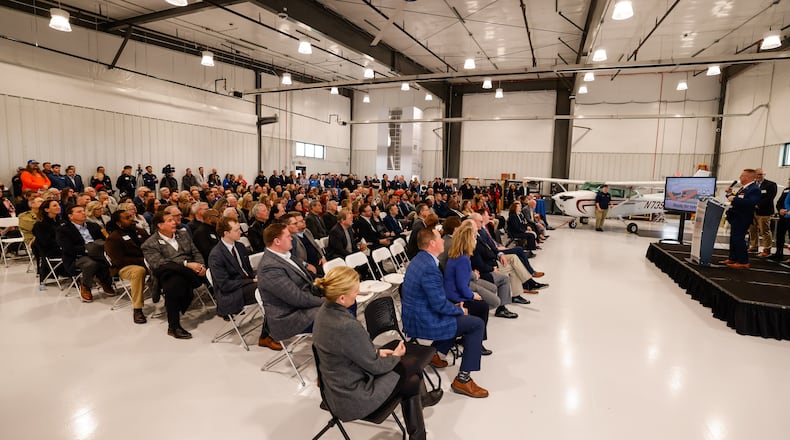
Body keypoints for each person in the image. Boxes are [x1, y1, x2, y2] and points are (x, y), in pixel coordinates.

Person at [313, 266, 430, 440]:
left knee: (411, 378)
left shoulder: (323, 313)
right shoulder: (346, 325)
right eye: (355, 291)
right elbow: (375, 367)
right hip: (353, 397)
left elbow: (347, 349)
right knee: (412, 365)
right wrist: (395, 356)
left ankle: (420, 425)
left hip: (335, 390)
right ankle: (421, 416)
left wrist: (376, 352)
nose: (357, 294)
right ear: (342, 297)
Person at [401, 227, 489, 398]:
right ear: (432, 243)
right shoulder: (429, 267)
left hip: (416, 314)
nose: (443, 240)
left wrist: (454, 307)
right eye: (439, 238)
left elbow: (435, 299)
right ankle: (463, 379)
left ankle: (436, 353)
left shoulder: (419, 259)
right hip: (423, 320)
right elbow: (439, 305)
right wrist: (458, 309)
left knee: (458, 315)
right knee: (476, 324)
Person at [208, 218, 281, 350]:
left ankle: (276, 326)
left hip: (246, 285)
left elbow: (247, 271)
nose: (240, 232)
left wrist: (256, 277)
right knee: (269, 291)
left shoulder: (240, 246)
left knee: (274, 281)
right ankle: (266, 336)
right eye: (236, 230)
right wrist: (251, 281)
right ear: (226, 233)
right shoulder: (216, 255)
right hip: (231, 293)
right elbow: (225, 285)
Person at [142, 211, 207, 339]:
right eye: (170, 220)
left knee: (178, 282)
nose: (174, 222)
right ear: (160, 225)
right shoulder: (149, 244)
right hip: (167, 274)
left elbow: (196, 252)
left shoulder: (183, 234)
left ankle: (173, 326)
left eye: (174, 220)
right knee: (173, 282)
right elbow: (159, 264)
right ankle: (174, 326)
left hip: (191, 271)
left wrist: (201, 265)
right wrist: (186, 265)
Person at [257, 223, 324, 342]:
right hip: (290, 316)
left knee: (346, 298)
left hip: (304, 303)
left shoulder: (287, 256)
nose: (292, 239)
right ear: (277, 241)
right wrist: (326, 301)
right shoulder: (269, 267)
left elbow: (308, 279)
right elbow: (297, 298)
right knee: (337, 311)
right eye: (288, 236)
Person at [55, 205, 115, 302]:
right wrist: (87, 249)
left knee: (110, 257)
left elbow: (103, 240)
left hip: (98, 251)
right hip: (77, 256)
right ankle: (86, 286)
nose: (83, 213)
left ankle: (105, 281)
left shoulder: (93, 226)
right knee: (91, 263)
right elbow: (68, 248)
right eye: (79, 212)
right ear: (70, 216)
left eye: (83, 211)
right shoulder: (63, 230)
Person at [105, 210, 149, 324]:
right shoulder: (114, 238)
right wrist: (143, 261)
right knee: (139, 271)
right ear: (119, 223)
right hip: (124, 267)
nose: (131, 219)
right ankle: (137, 309)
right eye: (127, 218)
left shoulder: (141, 231)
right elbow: (118, 260)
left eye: (131, 216)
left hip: (147, 262)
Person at [722, 169, 762, 269]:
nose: (740, 177)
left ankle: (743, 261)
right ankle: (733, 258)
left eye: (742, 175)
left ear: (748, 177)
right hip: (736, 216)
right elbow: (737, 199)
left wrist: (734, 198)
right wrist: (729, 194)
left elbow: (751, 202)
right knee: (733, 238)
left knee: (738, 239)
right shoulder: (744, 188)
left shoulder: (754, 189)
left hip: (743, 217)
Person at [748, 168, 777, 257]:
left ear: (764, 175)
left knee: (764, 230)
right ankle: (754, 246)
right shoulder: (752, 185)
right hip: (752, 211)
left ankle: (767, 249)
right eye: (758, 174)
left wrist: (757, 204)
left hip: (764, 211)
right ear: (755, 175)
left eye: (762, 174)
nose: (760, 176)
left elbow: (769, 198)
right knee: (752, 229)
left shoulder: (771, 185)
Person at [770, 179, 790, 262]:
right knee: (780, 235)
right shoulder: (786, 190)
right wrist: (780, 209)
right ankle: (778, 253)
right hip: (783, 216)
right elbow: (779, 202)